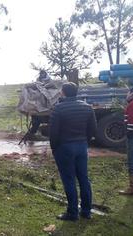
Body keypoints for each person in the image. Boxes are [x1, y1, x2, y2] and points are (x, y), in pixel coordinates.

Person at [49, 82, 97, 221]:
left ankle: (72, 213)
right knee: (84, 179)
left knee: (69, 180)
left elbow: (54, 132)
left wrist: (54, 148)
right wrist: (84, 140)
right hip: (82, 146)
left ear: (63, 92)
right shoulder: (87, 108)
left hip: (64, 147)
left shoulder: (59, 108)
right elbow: (93, 129)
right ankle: (86, 212)